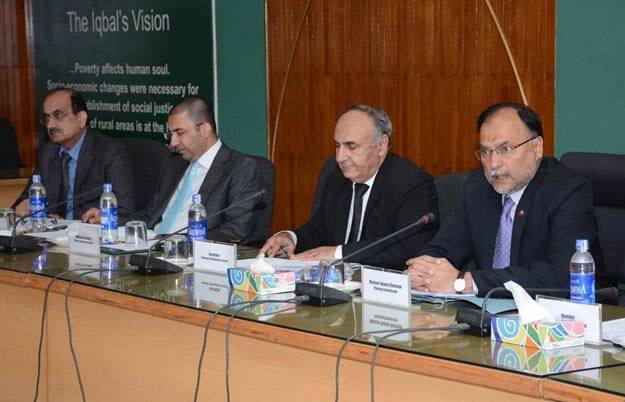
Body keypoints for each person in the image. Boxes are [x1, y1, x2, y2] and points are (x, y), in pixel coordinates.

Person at [406, 102, 603, 296]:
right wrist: (423, 272)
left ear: (537, 148)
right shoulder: (479, 187)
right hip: (492, 313)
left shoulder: (568, 191)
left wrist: (464, 282)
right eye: (485, 151)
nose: (494, 164)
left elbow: (563, 276)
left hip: (566, 316)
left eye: (505, 149)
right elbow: (443, 247)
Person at [260, 104, 438, 270]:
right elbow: (319, 231)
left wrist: (338, 253)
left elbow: (407, 248)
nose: (340, 157)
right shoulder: (337, 178)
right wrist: (291, 237)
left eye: (351, 147)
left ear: (381, 146)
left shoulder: (411, 183)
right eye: (337, 146)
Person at [83, 96, 263, 240]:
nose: (173, 142)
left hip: (191, 258)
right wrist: (110, 219)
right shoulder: (176, 165)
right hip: (151, 247)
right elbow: (152, 215)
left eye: (179, 133)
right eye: (170, 134)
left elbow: (235, 232)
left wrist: (174, 243)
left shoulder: (240, 168)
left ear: (205, 129)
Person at [12, 88, 135, 220]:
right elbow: (24, 199)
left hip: (89, 236)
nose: (50, 125)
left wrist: (103, 216)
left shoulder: (111, 153)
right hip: (53, 235)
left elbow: (126, 212)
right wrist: (22, 207)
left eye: (58, 115)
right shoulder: (47, 152)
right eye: (46, 118)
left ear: (81, 118)